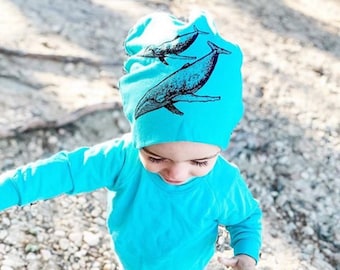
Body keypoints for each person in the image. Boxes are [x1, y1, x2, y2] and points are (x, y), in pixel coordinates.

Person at [0, 10, 262, 270]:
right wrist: (8, 190)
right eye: (156, 157)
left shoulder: (224, 182)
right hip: (130, 258)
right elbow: (66, 171)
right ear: (139, 138)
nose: (178, 173)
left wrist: (246, 253)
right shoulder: (123, 157)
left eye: (200, 162)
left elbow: (246, 218)